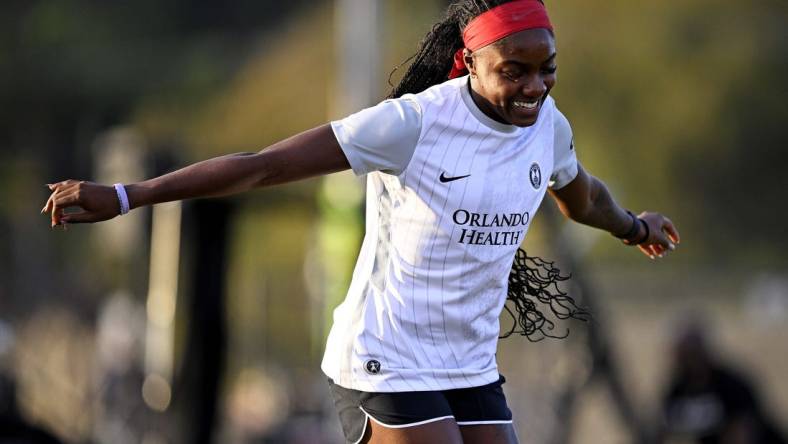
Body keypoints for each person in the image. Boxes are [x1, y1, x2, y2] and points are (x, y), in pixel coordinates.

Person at [42, 1, 681, 442]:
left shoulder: (548, 127)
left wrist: (633, 227)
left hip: (470, 365)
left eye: (547, 69)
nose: (534, 87)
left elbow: (584, 197)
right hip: (385, 361)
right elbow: (260, 166)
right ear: (470, 61)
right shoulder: (412, 125)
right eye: (513, 71)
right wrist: (128, 195)